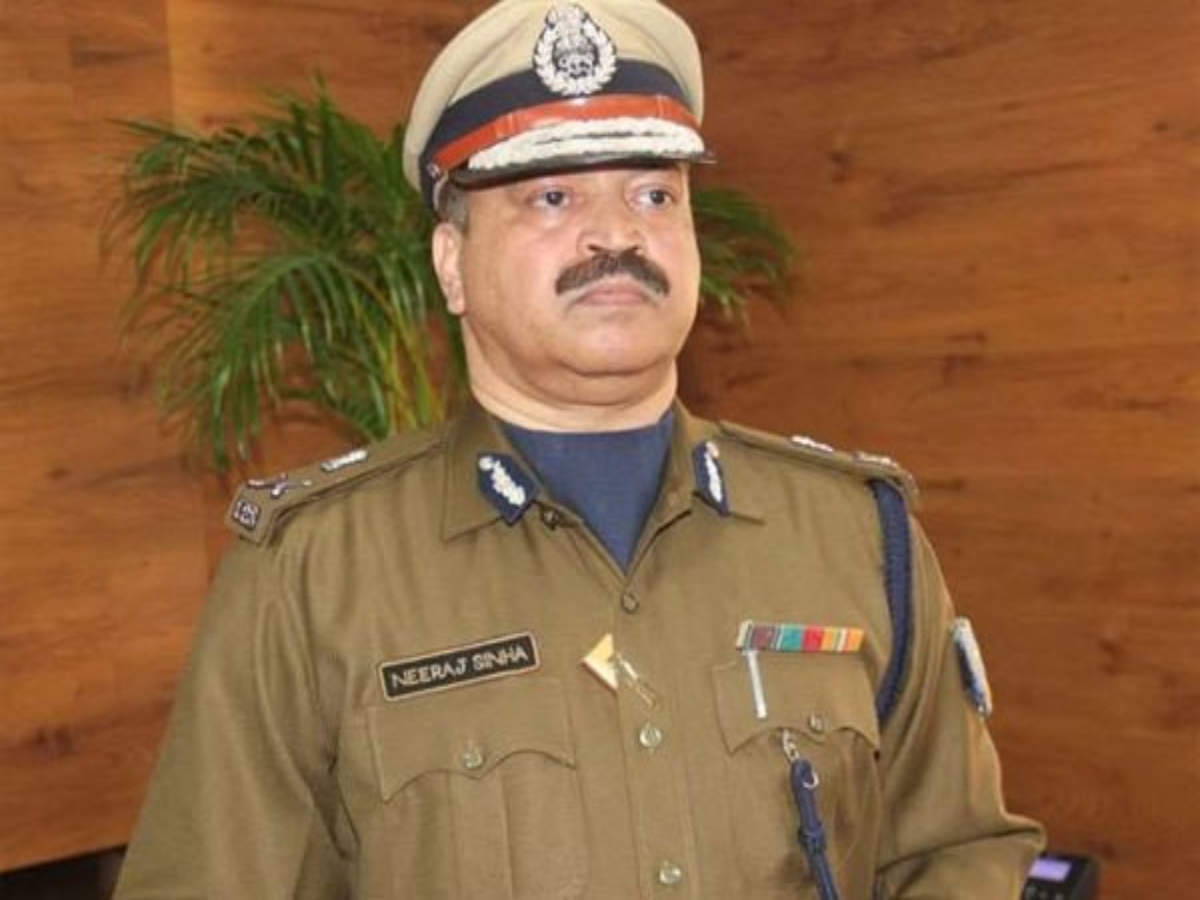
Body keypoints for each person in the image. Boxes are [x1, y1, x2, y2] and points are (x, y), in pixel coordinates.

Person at [114, 1, 1044, 897]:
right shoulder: (313, 575)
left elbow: (955, 850)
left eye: (654, 194)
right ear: (451, 266)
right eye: (553, 196)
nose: (617, 234)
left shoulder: (856, 536)